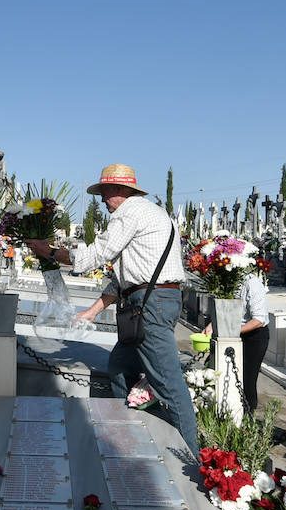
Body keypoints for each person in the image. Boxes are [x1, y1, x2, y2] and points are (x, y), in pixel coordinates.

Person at [26, 164, 196, 456]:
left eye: (104, 192)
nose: (102, 199)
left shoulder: (129, 213)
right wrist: (93, 310)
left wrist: (49, 252)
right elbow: (126, 278)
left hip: (150, 304)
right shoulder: (151, 213)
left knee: (168, 384)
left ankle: (192, 459)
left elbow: (95, 255)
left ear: (119, 189)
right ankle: (136, 433)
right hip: (151, 300)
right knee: (120, 368)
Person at [201, 266, 270, 415]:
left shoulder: (252, 283)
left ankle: (247, 417)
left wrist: (230, 331)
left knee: (246, 380)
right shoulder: (227, 281)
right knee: (214, 373)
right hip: (230, 333)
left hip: (253, 336)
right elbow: (225, 309)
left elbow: (259, 320)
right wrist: (213, 325)